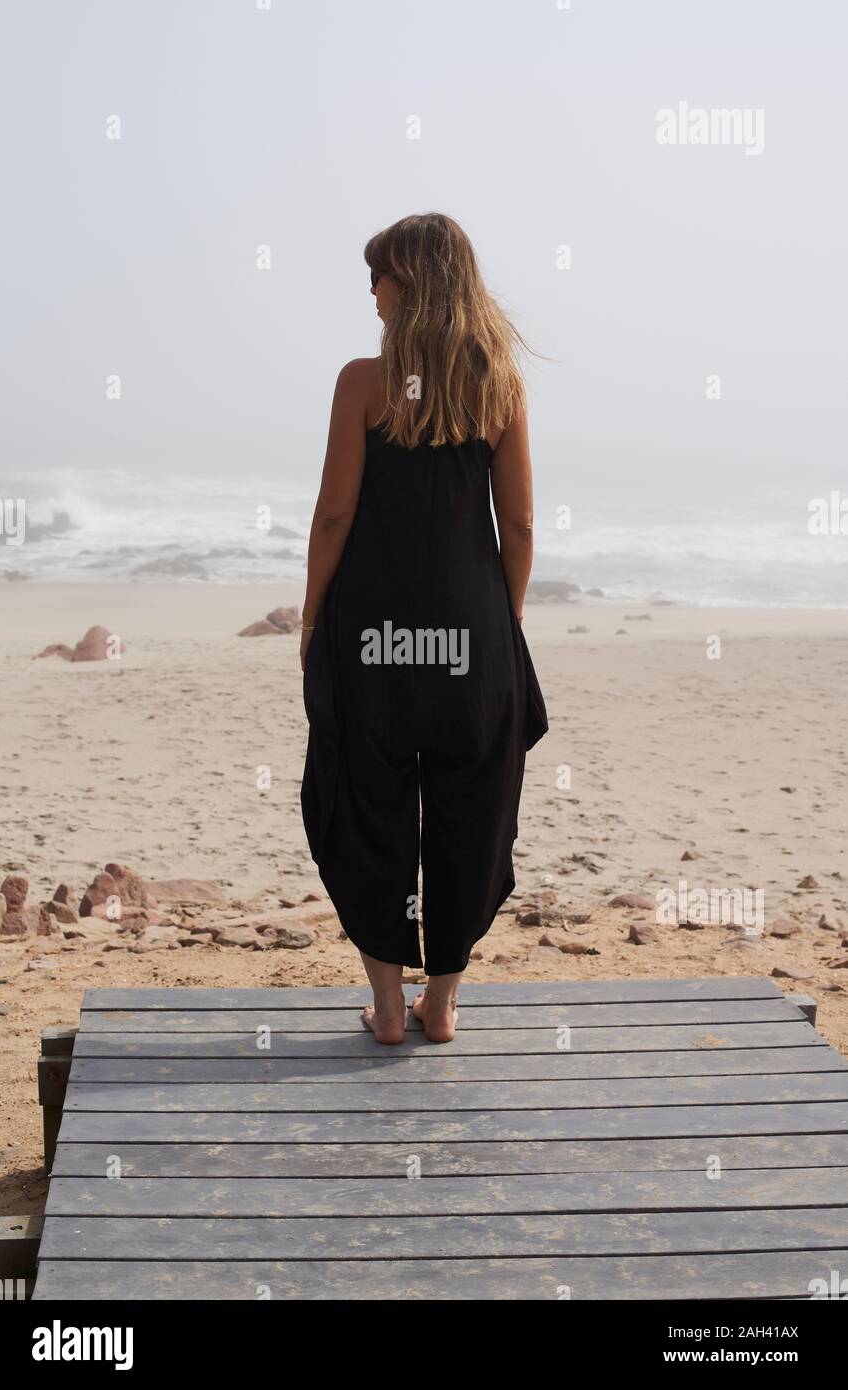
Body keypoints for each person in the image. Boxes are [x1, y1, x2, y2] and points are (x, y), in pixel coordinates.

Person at [300, 212, 548, 1045]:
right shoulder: (499, 384)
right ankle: (440, 1004)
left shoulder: (360, 383)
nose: (369, 290)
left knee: (364, 799)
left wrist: (310, 616)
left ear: (413, 283)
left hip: (371, 637)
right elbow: (518, 527)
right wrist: (504, 618)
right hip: (471, 636)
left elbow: (335, 516)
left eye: (380, 275)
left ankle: (387, 1008)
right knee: (470, 807)